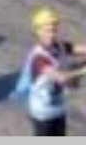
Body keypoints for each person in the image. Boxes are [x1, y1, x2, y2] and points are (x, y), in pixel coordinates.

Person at [16, 8, 85, 137]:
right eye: (46, 31)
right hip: (42, 114)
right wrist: (82, 71)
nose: (51, 34)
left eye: (53, 30)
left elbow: (79, 49)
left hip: (58, 109)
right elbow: (61, 78)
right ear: (37, 31)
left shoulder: (59, 46)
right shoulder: (39, 57)